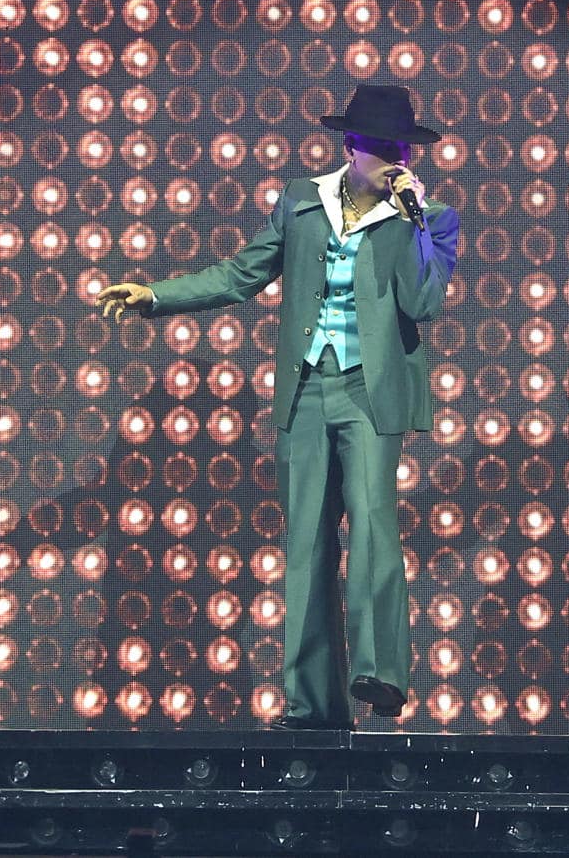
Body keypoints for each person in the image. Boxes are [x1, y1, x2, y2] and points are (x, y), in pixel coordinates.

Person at [98, 84, 460, 729]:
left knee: (372, 518)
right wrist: (156, 295)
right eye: (381, 148)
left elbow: (421, 304)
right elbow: (242, 274)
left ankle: (379, 672)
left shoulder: (433, 220)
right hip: (306, 390)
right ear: (352, 147)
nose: (395, 159)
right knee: (307, 542)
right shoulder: (301, 200)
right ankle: (312, 701)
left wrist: (413, 222)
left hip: (370, 392)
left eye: (402, 148)